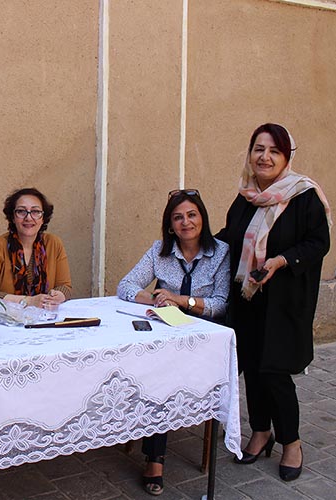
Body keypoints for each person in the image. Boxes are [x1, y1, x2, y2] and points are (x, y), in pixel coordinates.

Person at [216, 123, 331, 482]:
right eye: (258, 149)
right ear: (250, 153)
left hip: (283, 300)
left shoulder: (303, 195)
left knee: (276, 372)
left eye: (274, 151)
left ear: (286, 157)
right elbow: (230, 237)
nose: (264, 157)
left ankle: (291, 442)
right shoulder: (246, 196)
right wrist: (194, 243)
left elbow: (318, 243)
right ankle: (260, 431)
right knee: (252, 367)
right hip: (247, 298)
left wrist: (281, 261)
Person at [117, 188, 229, 496]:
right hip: (167, 336)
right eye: (178, 217)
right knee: (159, 375)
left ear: (203, 218)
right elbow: (125, 285)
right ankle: (155, 458)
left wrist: (180, 300)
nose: (186, 222)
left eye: (192, 215)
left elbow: (221, 303)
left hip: (204, 340)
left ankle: (155, 455)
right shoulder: (160, 251)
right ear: (170, 225)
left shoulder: (221, 252)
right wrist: (154, 298)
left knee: (164, 374)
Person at [0, 187, 72, 308]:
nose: (28, 218)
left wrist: (58, 295)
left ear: (43, 218)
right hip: (6, 316)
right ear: (13, 217)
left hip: (45, 314)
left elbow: (65, 286)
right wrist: (28, 301)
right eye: (21, 211)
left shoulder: (54, 243)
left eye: (35, 212)